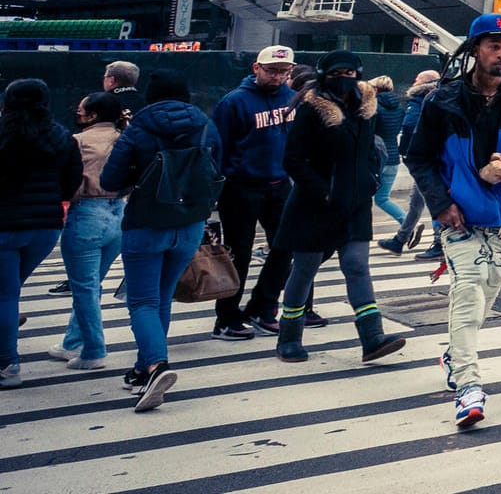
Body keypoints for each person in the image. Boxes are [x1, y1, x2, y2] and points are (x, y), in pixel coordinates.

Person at [403, 13, 501, 428]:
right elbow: (417, 156)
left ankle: (453, 353)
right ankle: (468, 386)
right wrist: (440, 206)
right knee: (467, 295)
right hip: (459, 219)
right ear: (474, 50)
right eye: (493, 46)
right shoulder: (443, 100)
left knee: (485, 295)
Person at [271, 51, 407, 365]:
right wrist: (323, 191)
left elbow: (371, 150)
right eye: (337, 72)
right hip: (315, 204)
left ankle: (372, 338)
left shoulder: (365, 109)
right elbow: (293, 160)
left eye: (350, 72)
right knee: (304, 270)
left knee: (357, 265)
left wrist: (370, 179)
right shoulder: (310, 110)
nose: (344, 77)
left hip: (356, 202)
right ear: (324, 75)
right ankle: (289, 337)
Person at [100, 70, 221, 412]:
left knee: (142, 302)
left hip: (146, 223)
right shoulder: (205, 126)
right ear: (187, 96)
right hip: (190, 225)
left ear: (150, 97)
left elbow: (110, 180)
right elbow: (219, 169)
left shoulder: (138, 128)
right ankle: (142, 369)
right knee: (162, 298)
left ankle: (156, 366)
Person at [205, 47, 298, 340]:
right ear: (256, 67)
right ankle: (227, 317)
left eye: (283, 71)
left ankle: (262, 306)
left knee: (285, 248)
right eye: (272, 70)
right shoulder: (234, 101)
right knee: (239, 254)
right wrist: (217, 190)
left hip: (279, 183)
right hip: (241, 187)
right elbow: (218, 148)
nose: (278, 76)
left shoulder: (290, 97)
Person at [1, 79, 83, 389]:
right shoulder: (62, 137)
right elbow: (72, 182)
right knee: (7, 293)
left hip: (4, 228)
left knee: (5, 295)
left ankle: (7, 364)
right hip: (45, 228)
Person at [50, 92, 126, 370]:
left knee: (84, 287)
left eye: (80, 110)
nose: (77, 113)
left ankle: (94, 350)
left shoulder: (77, 142)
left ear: (93, 116)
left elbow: (67, 180)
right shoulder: (124, 137)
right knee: (93, 284)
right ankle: (71, 342)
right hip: (119, 211)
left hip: (87, 213)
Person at [377, 69, 443, 258]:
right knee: (416, 201)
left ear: (425, 83)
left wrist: (407, 151)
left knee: (431, 200)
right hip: (432, 156)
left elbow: (409, 126)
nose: (414, 82)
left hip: (425, 158)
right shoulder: (437, 98)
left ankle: (439, 242)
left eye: (417, 79)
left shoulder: (420, 100)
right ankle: (400, 239)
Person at [368, 75, 408, 228]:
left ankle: (358, 232)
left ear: (376, 89)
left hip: (376, 158)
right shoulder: (399, 107)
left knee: (362, 198)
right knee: (383, 199)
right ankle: (407, 224)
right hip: (392, 158)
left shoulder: (374, 107)